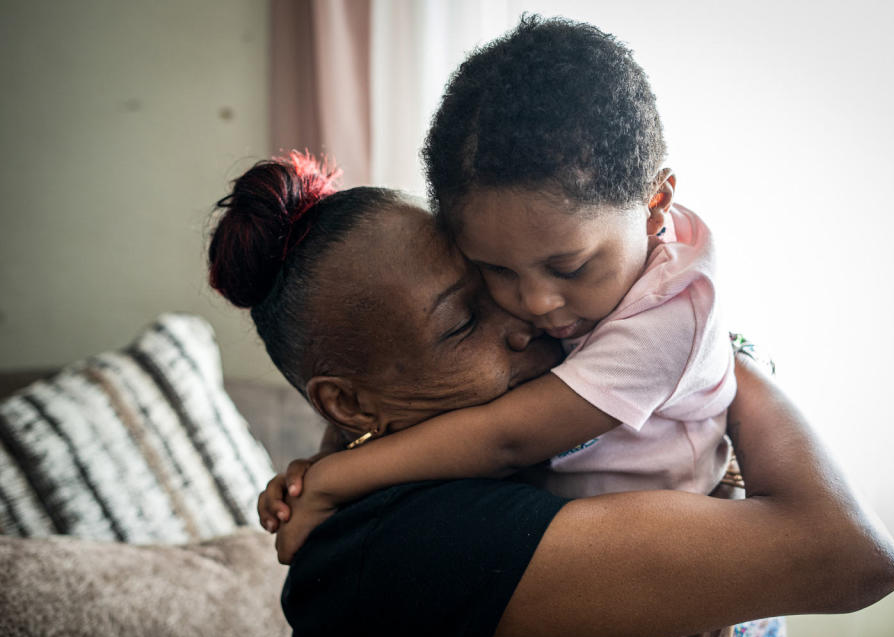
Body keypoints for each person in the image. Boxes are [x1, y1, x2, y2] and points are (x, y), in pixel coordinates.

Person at [208, 153, 894, 637]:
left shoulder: (452, 436)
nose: (533, 315)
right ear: (353, 406)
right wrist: (693, 340)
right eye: (463, 322)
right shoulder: (408, 545)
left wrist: (699, 349)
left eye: (496, 279)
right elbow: (854, 555)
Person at [259, 16, 740, 545]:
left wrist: (332, 480)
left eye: (569, 268)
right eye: (495, 271)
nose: (535, 303)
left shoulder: (670, 315)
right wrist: (327, 456)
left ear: (656, 205)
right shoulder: (601, 244)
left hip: (671, 553)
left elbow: (505, 439)